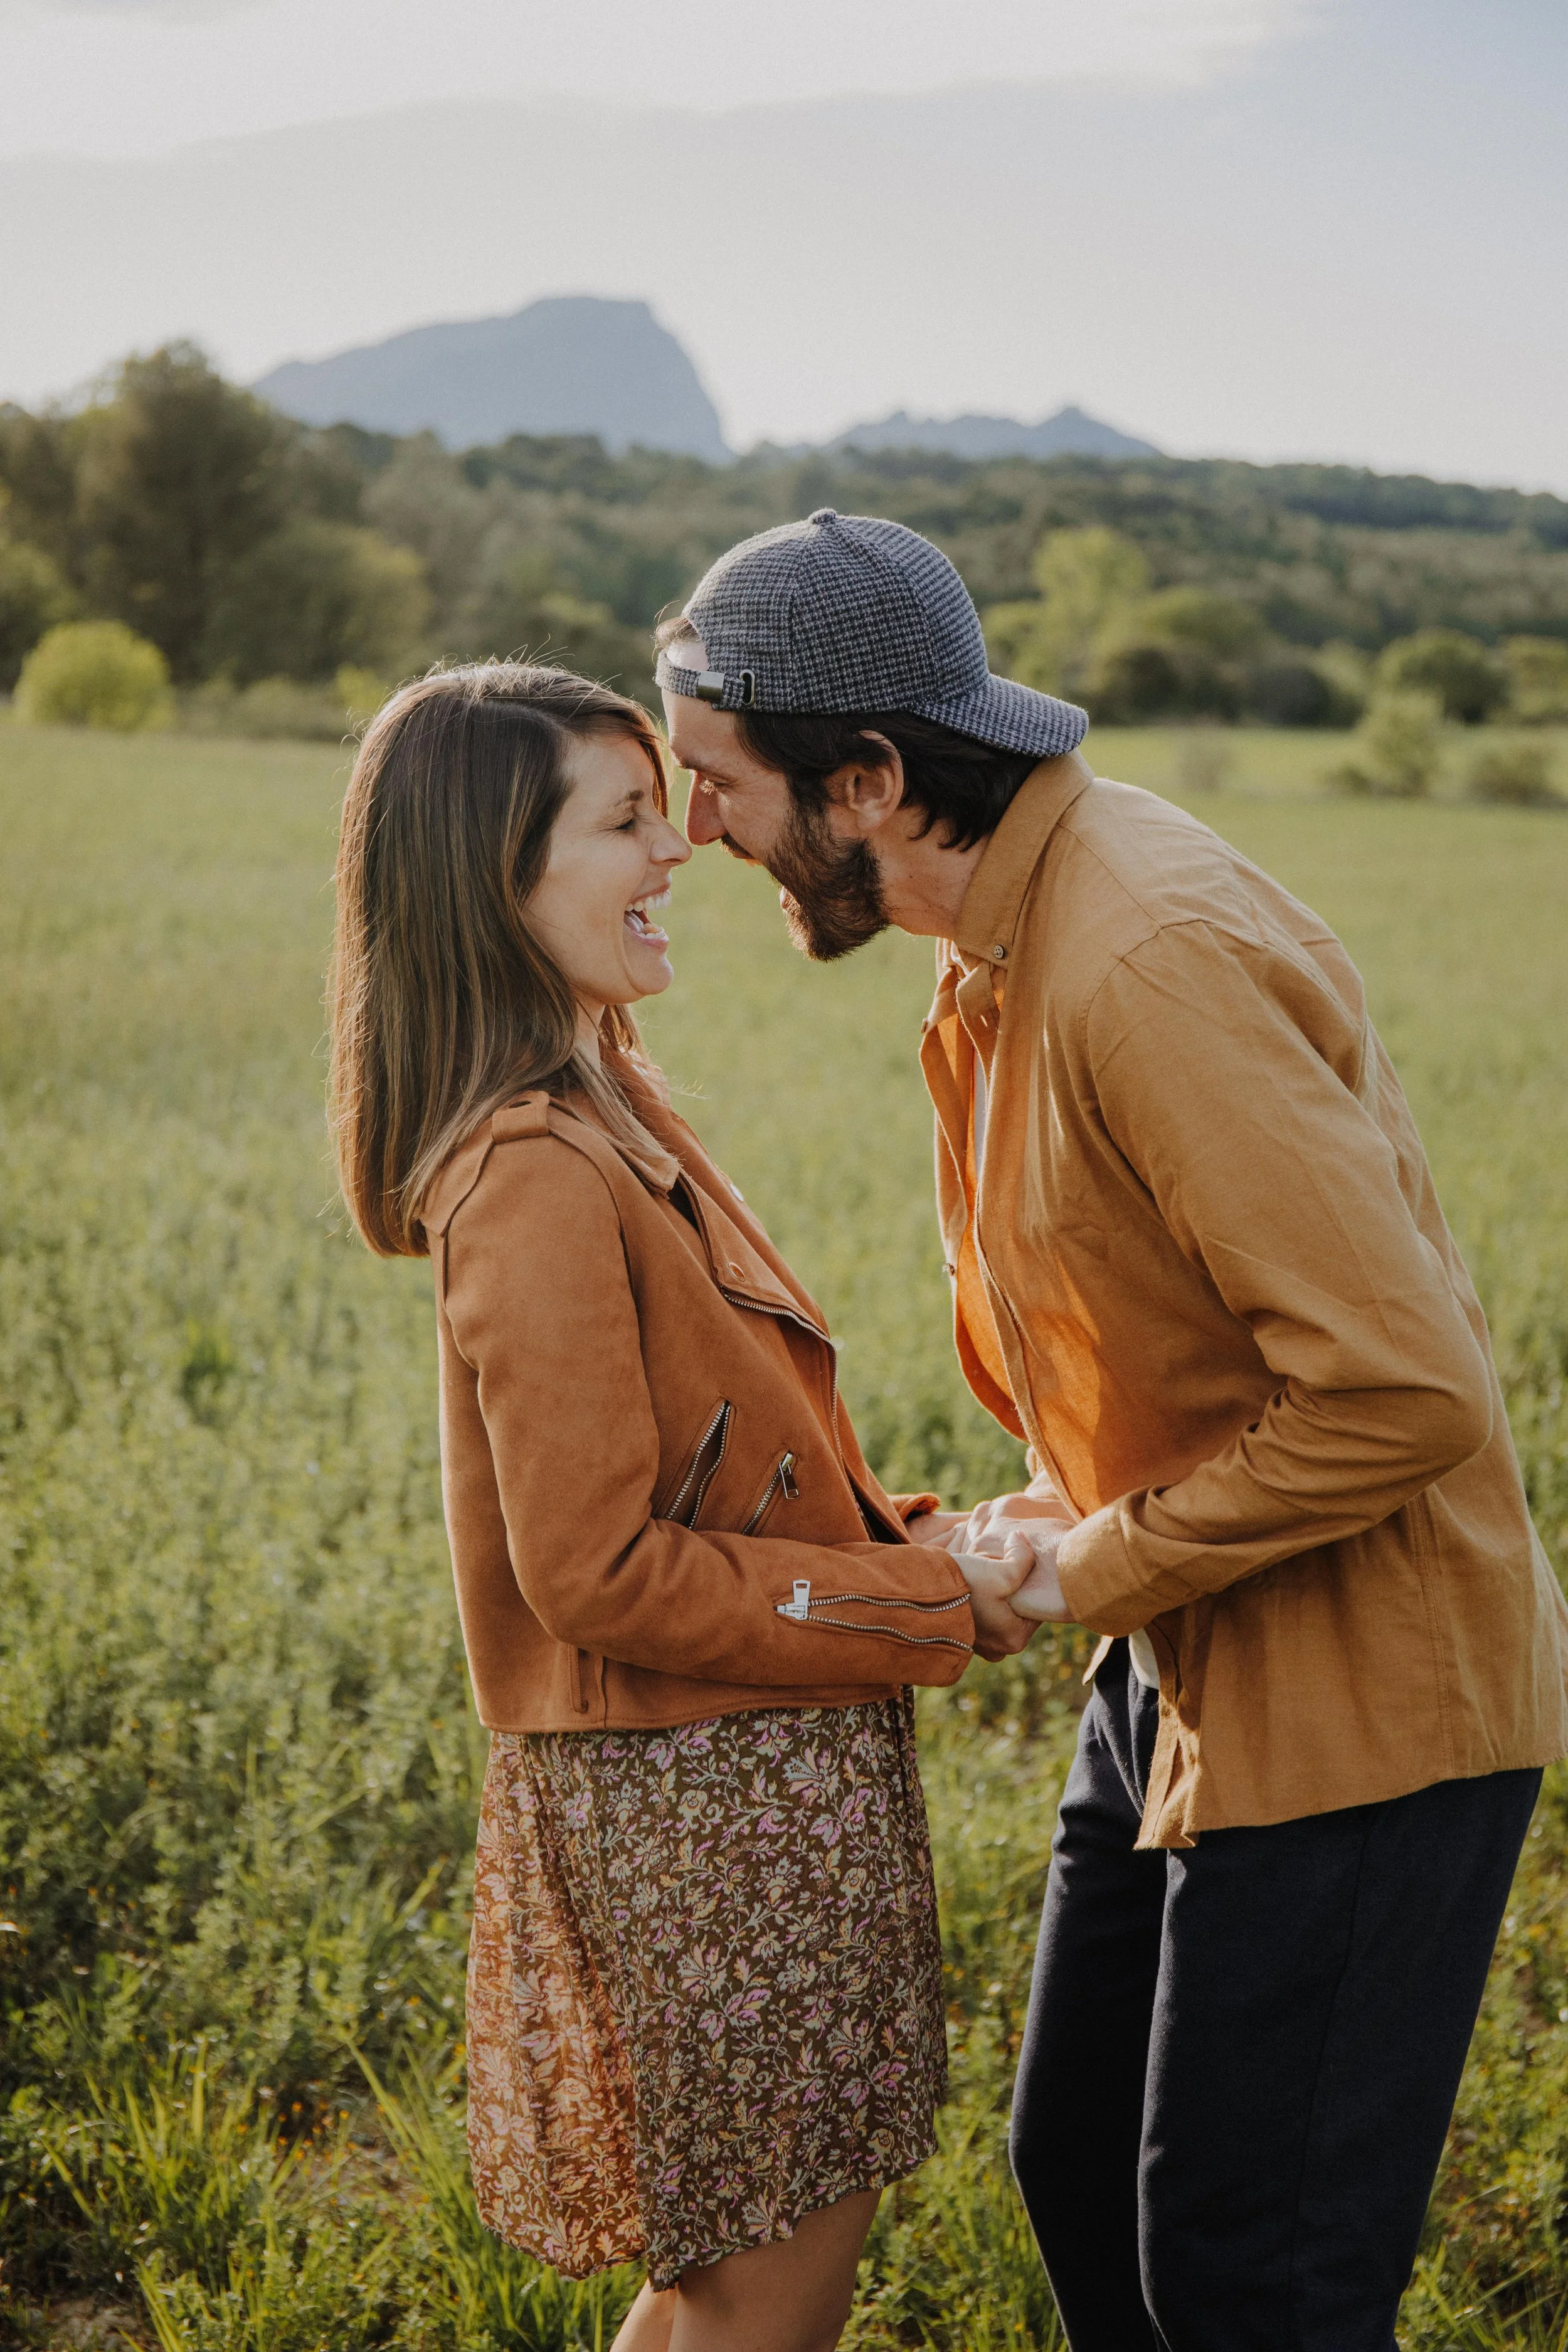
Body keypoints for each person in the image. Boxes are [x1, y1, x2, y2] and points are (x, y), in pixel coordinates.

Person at [658, 509, 1568, 2352]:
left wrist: (1083, 1564)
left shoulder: (1139, 957)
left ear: (870, 778)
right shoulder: (993, 933)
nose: (692, 829)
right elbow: (1186, 1320)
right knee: (1081, 2168)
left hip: (1358, 1698)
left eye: (714, 780)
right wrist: (1065, 1509)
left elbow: (1397, 1391)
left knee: (1252, 2285)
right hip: (1185, 1648)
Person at [327, 660, 1034, 2352]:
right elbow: (595, 1567)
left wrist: (919, 1538)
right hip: (693, 1795)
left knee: (740, 2275)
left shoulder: (608, 1100)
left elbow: (728, 1451)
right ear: (497, 876)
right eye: (628, 819)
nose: (680, 848)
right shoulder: (529, 1170)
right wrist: (931, 1606)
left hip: (749, 1766)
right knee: (761, 2287)